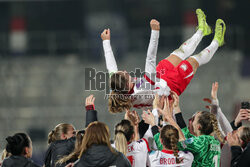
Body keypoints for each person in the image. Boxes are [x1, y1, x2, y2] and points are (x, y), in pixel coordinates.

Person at [101, 9, 226, 113]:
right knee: (194, 60)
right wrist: (155, 32)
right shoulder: (142, 90)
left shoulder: (119, 87)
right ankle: (216, 42)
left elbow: (111, 68)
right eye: (126, 75)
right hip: (170, 88)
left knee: (179, 52)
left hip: (160, 78)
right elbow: (150, 58)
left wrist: (106, 41)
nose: (125, 71)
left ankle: (202, 30)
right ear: (128, 86)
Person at [44, 95, 97, 167]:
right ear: (64, 136)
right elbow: (90, 135)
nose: (76, 135)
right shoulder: (64, 147)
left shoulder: (53, 151)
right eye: (73, 133)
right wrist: (90, 110)